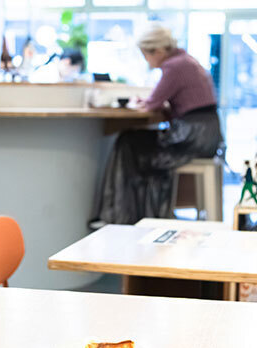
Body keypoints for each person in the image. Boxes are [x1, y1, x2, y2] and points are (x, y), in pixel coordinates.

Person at [89, 24, 223, 228]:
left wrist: (138, 102)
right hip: (206, 134)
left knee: (128, 142)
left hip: (192, 135)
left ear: (157, 51)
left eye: (145, 54)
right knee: (136, 143)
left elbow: (151, 103)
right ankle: (138, 215)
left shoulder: (174, 66)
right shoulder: (187, 61)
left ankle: (119, 216)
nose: (146, 60)